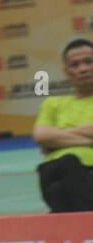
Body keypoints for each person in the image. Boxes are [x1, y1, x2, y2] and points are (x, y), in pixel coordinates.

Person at [33, 38, 93, 212]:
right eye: (75, 65)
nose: (83, 69)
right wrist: (88, 140)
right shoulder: (52, 103)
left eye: (89, 62)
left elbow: (49, 137)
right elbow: (42, 135)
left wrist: (59, 135)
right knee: (69, 162)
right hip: (55, 170)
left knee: (61, 191)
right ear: (66, 71)